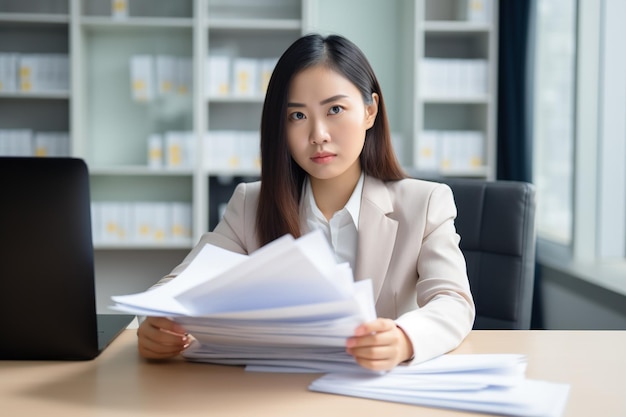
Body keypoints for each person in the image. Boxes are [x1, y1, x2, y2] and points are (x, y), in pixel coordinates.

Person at [137, 33, 475, 371]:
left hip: (377, 392)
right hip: (277, 392)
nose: (318, 134)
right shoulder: (251, 204)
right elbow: (177, 286)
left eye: (335, 110)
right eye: (297, 116)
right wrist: (156, 324)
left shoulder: (425, 203)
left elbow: (453, 302)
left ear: (370, 111)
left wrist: (403, 337)